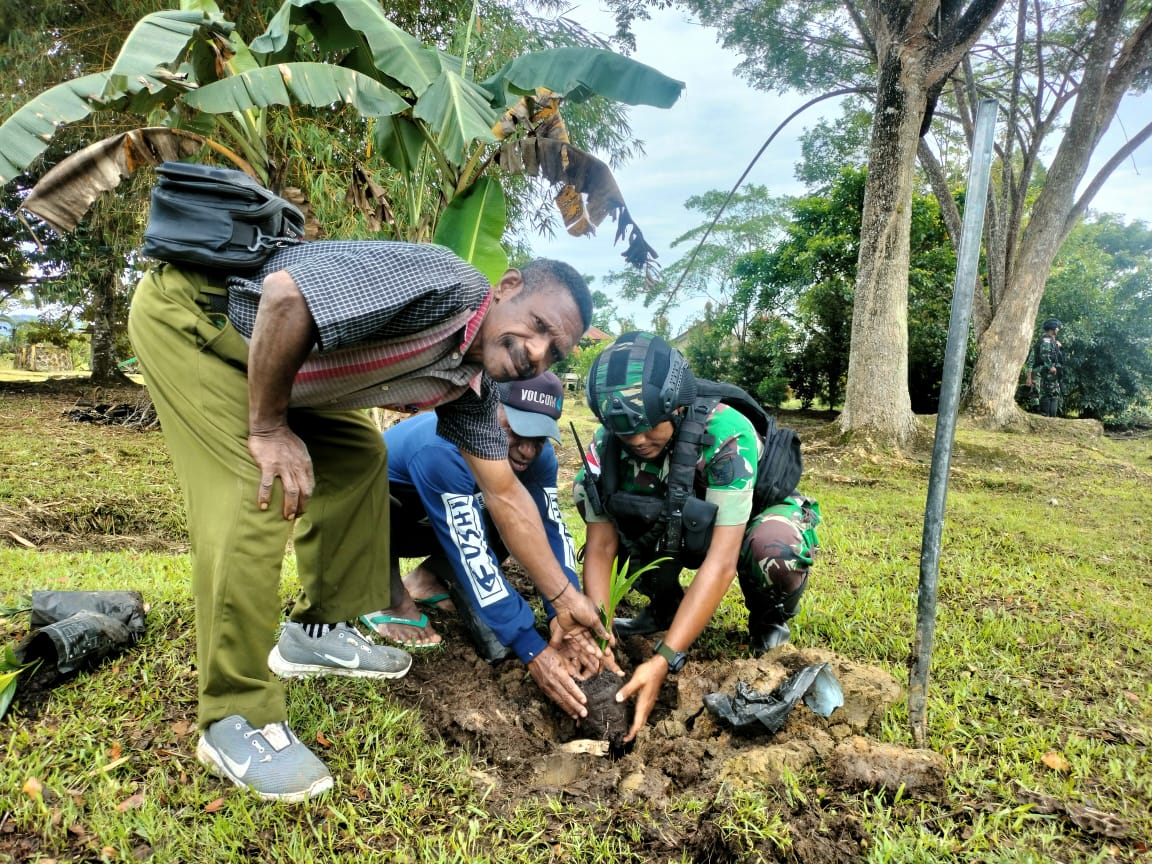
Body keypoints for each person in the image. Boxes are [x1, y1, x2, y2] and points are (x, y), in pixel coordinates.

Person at [127, 240, 608, 801]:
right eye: (537, 325)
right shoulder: (445, 287)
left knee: (359, 458)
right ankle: (236, 715)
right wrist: (267, 429)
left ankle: (315, 630)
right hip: (208, 331)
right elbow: (285, 296)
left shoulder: (473, 383)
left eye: (556, 349)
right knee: (256, 489)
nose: (537, 351)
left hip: (287, 369)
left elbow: (504, 495)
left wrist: (564, 601)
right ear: (505, 288)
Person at [573, 332, 821, 743]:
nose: (636, 440)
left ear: (677, 405)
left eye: (649, 426)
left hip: (745, 524)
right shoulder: (609, 445)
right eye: (623, 431)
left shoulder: (725, 432)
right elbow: (600, 546)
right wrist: (600, 631)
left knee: (774, 551)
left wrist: (664, 659)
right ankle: (664, 608)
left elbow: (720, 562)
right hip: (679, 522)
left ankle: (768, 616)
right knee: (610, 506)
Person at [360, 371, 598, 696]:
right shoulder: (444, 448)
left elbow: (552, 530)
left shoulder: (538, 459)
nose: (527, 450)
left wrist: (562, 610)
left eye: (538, 438)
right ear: (488, 409)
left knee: (515, 514)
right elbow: (468, 547)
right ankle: (388, 599)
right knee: (382, 503)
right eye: (516, 431)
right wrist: (529, 645)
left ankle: (427, 580)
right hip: (386, 519)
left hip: (438, 520)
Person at [1026, 318, 1064, 417]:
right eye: (1057, 328)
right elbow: (1044, 355)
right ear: (1053, 328)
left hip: (1048, 373)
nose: (1058, 329)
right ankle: (1045, 417)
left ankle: (1050, 417)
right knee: (1043, 394)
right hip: (1043, 372)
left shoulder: (1050, 341)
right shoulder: (1046, 340)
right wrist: (1051, 367)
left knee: (1053, 393)